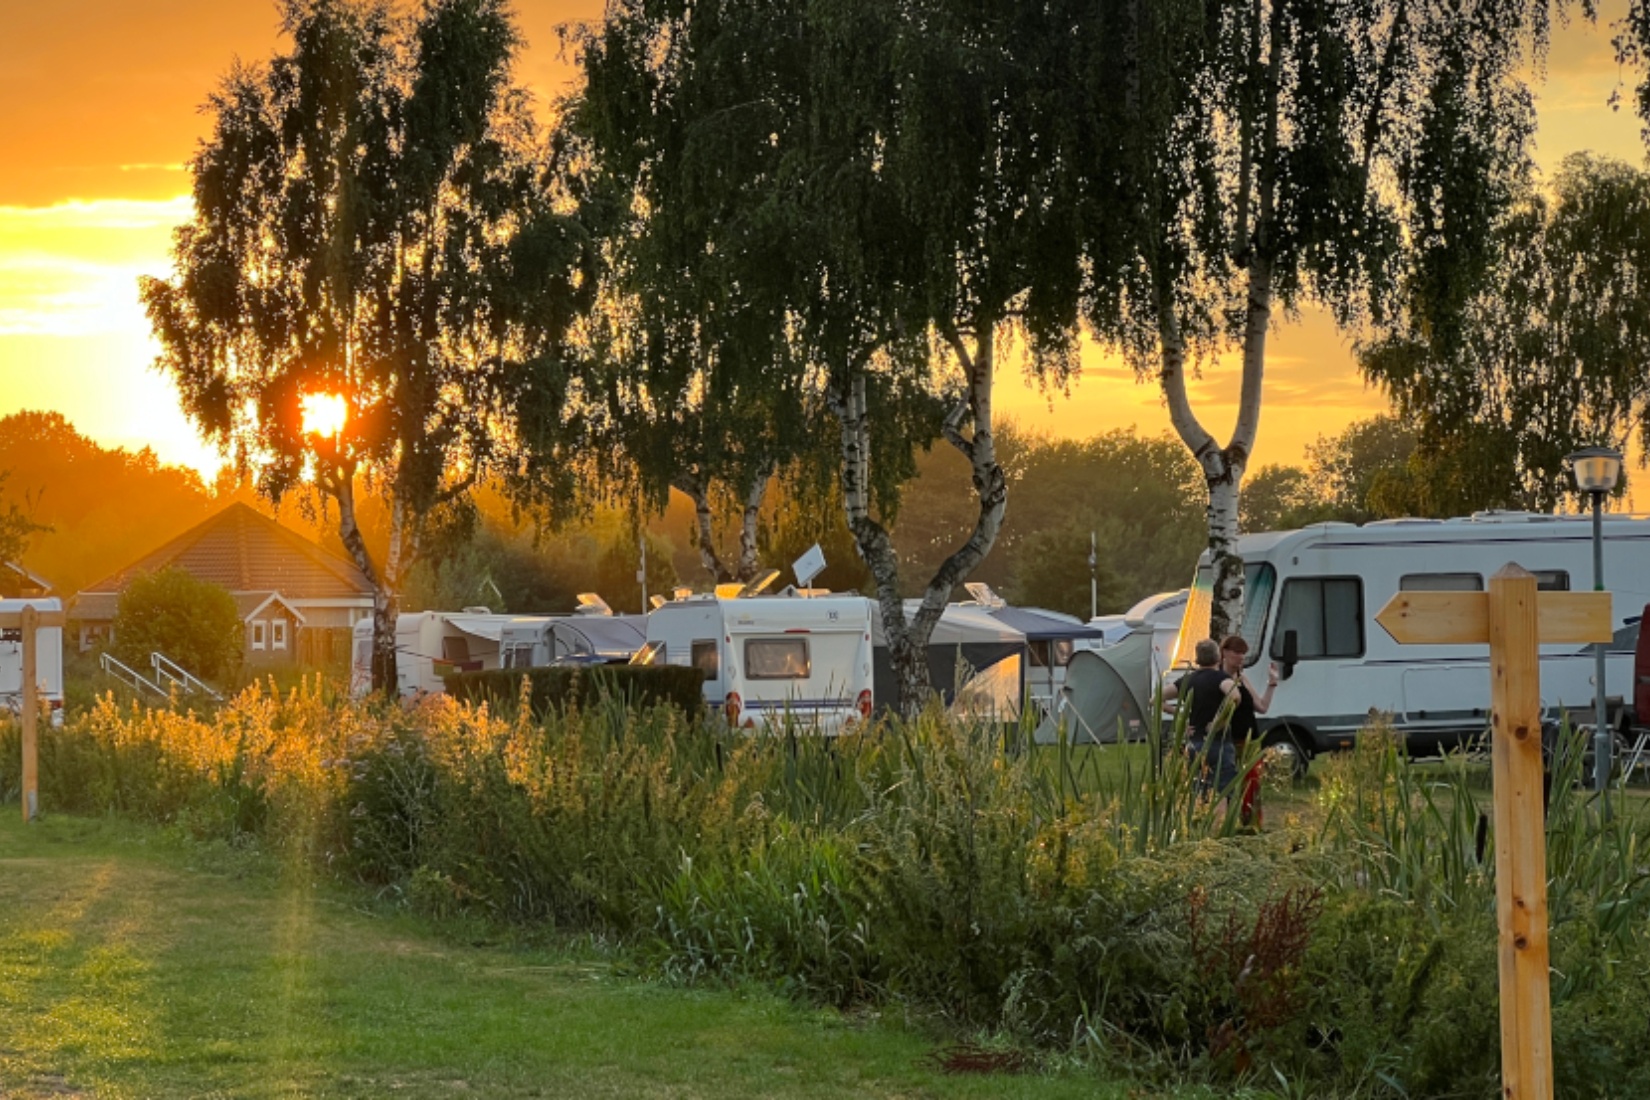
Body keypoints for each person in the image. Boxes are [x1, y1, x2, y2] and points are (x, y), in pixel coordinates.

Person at [1162, 638, 1241, 801]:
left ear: (1197, 659)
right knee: (1223, 792)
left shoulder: (1187, 680)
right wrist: (1219, 721)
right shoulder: (1221, 678)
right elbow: (1235, 697)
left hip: (1195, 742)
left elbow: (1155, 699)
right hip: (1219, 742)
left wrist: (1180, 716)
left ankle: (1198, 822)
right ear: (1218, 657)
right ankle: (1221, 823)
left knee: (1198, 790)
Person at [1220, 635, 1280, 827]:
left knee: (1251, 785)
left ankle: (1252, 825)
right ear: (1225, 653)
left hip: (1250, 740)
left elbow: (1262, 707)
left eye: (1243, 654)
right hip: (1228, 741)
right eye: (1237, 653)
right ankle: (1229, 824)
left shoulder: (1242, 679)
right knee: (1229, 786)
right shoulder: (1218, 679)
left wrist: (1272, 684)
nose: (1240, 658)